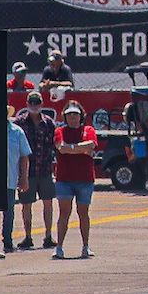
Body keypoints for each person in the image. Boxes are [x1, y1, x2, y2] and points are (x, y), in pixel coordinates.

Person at [53, 100, 97, 259]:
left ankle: (86, 246)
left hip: (85, 178)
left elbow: (91, 145)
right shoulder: (60, 131)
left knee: (83, 212)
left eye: (76, 115)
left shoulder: (88, 129)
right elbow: (61, 148)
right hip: (65, 179)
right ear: (65, 116)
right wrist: (80, 149)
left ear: (81, 116)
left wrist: (71, 148)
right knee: (64, 212)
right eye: (70, 115)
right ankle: (59, 247)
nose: (73, 118)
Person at [14, 91, 57, 249]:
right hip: (27, 172)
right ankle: (28, 236)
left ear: (42, 104)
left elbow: (54, 146)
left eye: (37, 102)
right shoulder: (20, 123)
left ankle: (48, 235)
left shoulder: (49, 123)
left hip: (45, 170)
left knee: (48, 203)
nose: (34, 105)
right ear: (27, 104)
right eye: (31, 103)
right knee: (26, 204)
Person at [0, 106, 32, 256]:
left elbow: (24, 156)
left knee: (9, 211)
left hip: (10, 177)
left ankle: (7, 239)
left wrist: (24, 178)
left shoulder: (17, 132)